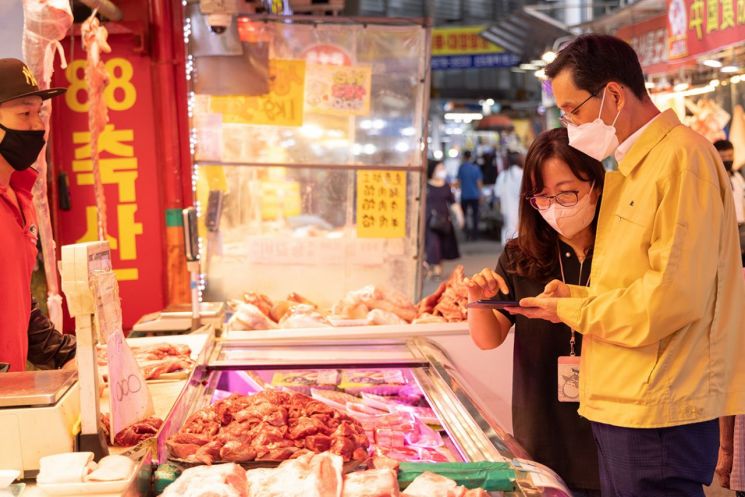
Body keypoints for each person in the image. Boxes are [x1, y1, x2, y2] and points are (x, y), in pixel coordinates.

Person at [508, 34, 745, 497]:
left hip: (657, 410)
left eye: (573, 110)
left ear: (614, 95)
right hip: (621, 401)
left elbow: (670, 299)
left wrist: (573, 312)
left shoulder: (681, 161)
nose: (570, 124)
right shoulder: (631, 169)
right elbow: (631, 284)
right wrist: (571, 297)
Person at [466, 128, 603, 496]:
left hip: (610, 420)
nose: (556, 205)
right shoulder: (520, 255)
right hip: (542, 421)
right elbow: (487, 338)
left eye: (567, 191)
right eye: (543, 196)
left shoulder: (622, 250)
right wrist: (478, 300)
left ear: (596, 184)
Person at [0, 58, 76, 372]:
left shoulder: (20, 195)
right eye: (24, 114)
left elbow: (15, 297)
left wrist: (64, 353)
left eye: (39, 112)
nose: (37, 125)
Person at [424, 160, 460, 278]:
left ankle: (435, 267)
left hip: (444, 221)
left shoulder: (445, 186)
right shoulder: (425, 186)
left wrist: (460, 216)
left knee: (443, 245)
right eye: (439, 168)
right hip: (430, 221)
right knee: (433, 244)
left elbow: (453, 202)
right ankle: (435, 269)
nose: (442, 171)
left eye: (442, 168)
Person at [714, 139, 745, 265]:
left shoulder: (738, 177)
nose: (728, 160)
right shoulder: (714, 179)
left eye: (730, 156)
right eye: (723, 157)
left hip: (742, 227)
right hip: (725, 229)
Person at [494, 149, 523, 243]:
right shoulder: (523, 174)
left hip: (506, 212)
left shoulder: (503, 175)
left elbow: (497, 193)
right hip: (522, 212)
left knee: (509, 237)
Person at [456, 150, 483, 240]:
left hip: (465, 196)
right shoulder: (475, 168)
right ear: (471, 157)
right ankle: (475, 235)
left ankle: (467, 234)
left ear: (464, 157)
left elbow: (458, 183)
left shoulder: (461, 168)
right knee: (475, 216)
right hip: (474, 195)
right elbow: (479, 183)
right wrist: (480, 195)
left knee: (465, 216)